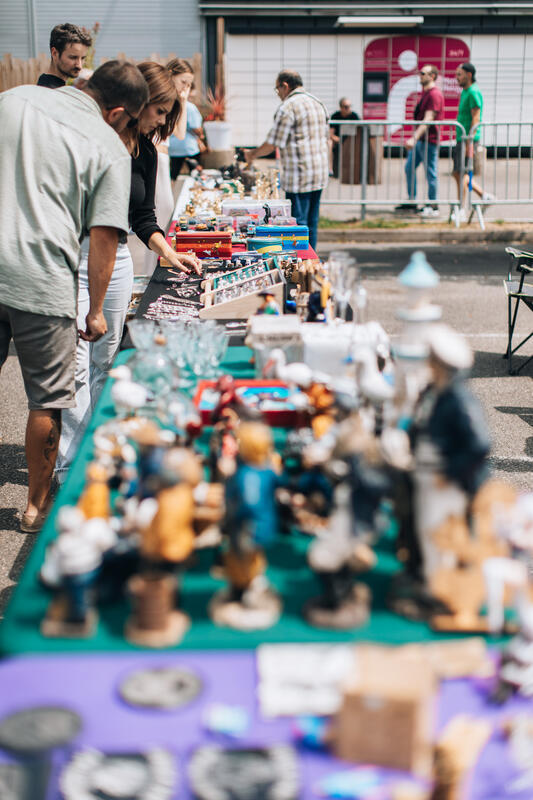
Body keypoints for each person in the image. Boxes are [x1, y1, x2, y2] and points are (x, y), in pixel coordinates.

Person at [0, 61, 149, 532]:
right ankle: (32, 510)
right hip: (41, 280)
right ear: (119, 111)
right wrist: (97, 310)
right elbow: (106, 236)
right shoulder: (108, 145)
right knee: (46, 402)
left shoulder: (15, 99)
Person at [56, 62, 201, 484]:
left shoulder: (148, 153)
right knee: (77, 368)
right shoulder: (89, 142)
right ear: (139, 105)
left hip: (117, 259)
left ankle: (99, 450)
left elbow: (143, 217)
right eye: (160, 112)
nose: (162, 122)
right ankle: (68, 467)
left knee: (105, 361)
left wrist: (169, 252)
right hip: (77, 257)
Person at [245, 69, 329, 251]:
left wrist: (252, 154)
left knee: (298, 225)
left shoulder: (288, 107)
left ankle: (300, 262)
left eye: (277, 90)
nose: (278, 95)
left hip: (299, 174)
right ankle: (310, 262)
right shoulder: (317, 102)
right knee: (312, 223)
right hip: (319, 172)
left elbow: (273, 142)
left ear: (285, 85)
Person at [396, 65, 444, 218]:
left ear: (432, 76)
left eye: (423, 73)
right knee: (409, 167)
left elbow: (428, 119)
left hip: (429, 140)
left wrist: (414, 137)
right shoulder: (426, 93)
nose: (420, 76)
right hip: (421, 141)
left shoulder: (434, 95)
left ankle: (433, 205)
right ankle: (412, 200)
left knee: (431, 173)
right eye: (420, 73)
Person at [452, 62, 494, 221]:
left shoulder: (473, 92)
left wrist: (470, 140)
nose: (457, 78)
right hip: (462, 137)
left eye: (459, 75)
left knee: (462, 172)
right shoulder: (465, 91)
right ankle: (485, 196)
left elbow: (476, 118)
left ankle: (461, 208)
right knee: (458, 172)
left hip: (468, 139)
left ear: (469, 75)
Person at [166, 58, 205, 180]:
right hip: (185, 149)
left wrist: (183, 101)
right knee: (195, 175)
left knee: (174, 176)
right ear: (171, 75)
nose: (185, 88)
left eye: (189, 85)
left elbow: (180, 134)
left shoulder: (179, 104)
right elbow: (195, 129)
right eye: (183, 82)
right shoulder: (164, 102)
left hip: (172, 150)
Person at [37, 23, 92, 88]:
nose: (79, 65)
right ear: (54, 53)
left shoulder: (57, 88)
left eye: (82, 58)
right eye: (73, 57)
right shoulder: (50, 92)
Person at [329, 97, 359, 177]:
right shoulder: (335, 116)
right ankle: (330, 169)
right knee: (329, 143)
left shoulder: (354, 116)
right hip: (337, 140)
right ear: (341, 107)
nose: (348, 109)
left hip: (351, 140)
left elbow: (359, 132)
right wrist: (336, 139)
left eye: (349, 106)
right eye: (346, 107)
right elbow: (330, 133)